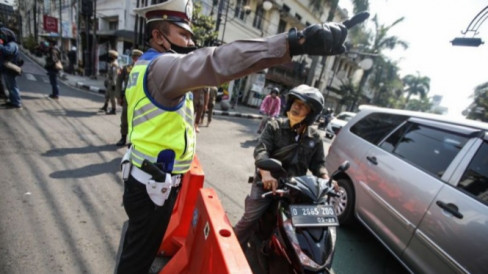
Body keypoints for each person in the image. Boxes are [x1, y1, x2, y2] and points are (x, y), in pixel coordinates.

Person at [115, 0, 348, 273]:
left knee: (138, 249)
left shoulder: (143, 66)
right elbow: (217, 61)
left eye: (191, 35)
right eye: (183, 34)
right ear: (158, 36)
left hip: (148, 177)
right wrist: (296, 42)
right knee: (138, 258)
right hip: (152, 185)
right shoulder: (163, 67)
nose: (190, 42)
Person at [234, 85, 338, 248]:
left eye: (303, 105)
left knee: (303, 229)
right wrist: (266, 174)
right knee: (249, 219)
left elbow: (318, 164)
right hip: (268, 184)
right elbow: (261, 150)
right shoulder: (274, 126)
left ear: (311, 112)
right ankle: (231, 247)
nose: (297, 106)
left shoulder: (315, 137)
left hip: (295, 189)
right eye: (296, 102)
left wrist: (326, 179)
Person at [115, 49, 143, 146]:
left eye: (138, 57)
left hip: (140, 98)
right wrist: (118, 96)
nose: (136, 59)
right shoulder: (126, 68)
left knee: (137, 120)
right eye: (134, 57)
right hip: (128, 98)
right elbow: (119, 82)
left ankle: (133, 141)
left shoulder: (145, 68)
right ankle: (123, 138)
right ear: (132, 58)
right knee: (125, 118)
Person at [0, 27, 22, 108]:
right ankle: (12, 101)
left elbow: (8, 51)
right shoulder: (9, 44)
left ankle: (17, 102)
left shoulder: (12, 44)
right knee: (10, 87)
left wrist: (0, 46)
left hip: (10, 68)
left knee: (13, 86)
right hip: (7, 68)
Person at [99, 50, 119, 114]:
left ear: (113, 57)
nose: (109, 57)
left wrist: (113, 85)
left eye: (110, 56)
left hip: (112, 83)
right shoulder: (112, 63)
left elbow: (114, 76)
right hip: (109, 82)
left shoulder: (114, 65)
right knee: (107, 95)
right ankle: (105, 106)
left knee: (112, 97)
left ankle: (114, 109)